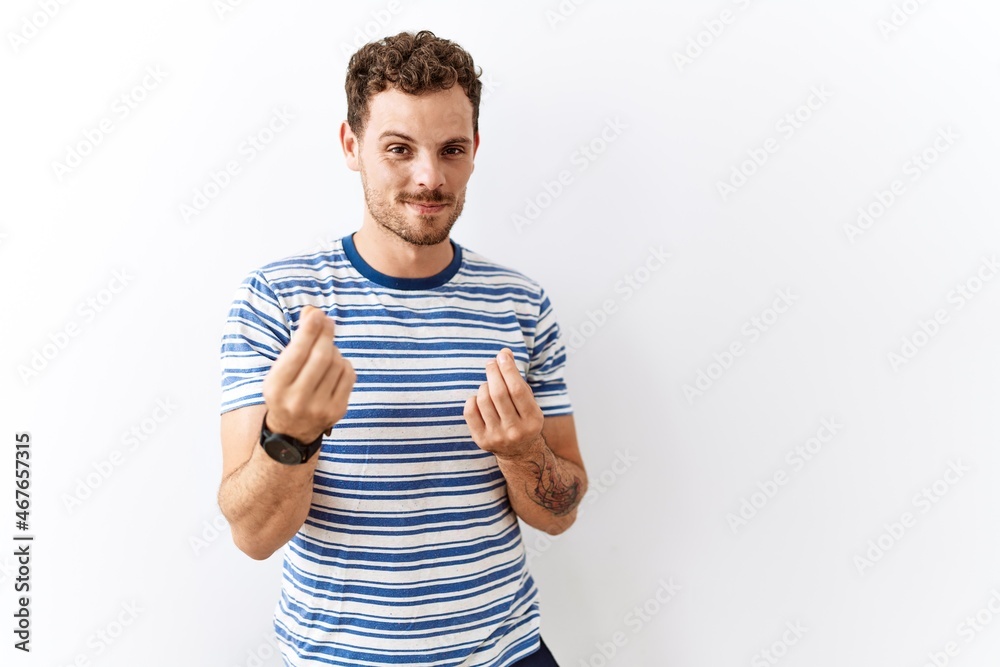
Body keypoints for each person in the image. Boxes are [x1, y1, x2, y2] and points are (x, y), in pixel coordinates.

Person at [217, 30, 587, 667]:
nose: (429, 176)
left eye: (451, 149)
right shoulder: (275, 301)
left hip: (506, 653)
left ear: (474, 150)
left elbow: (558, 515)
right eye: (398, 148)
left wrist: (524, 454)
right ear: (351, 146)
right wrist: (292, 435)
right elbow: (253, 536)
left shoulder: (521, 304)